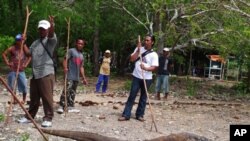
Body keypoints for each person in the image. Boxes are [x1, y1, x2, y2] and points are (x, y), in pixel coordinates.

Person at [18, 16, 57, 128]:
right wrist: (23, 43)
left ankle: (48, 118)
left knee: (46, 97)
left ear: (48, 30)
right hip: (35, 73)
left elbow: (51, 34)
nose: (42, 31)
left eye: (44, 29)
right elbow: (28, 54)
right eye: (40, 29)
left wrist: (52, 24)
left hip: (46, 72)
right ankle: (29, 116)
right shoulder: (35, 43)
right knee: (34, 97)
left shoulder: (50, 41)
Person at [118, 35, 158, 122]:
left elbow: (154, 67)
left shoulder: (154, 54)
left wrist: (146, 68)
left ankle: (140, 115)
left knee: (143, 97)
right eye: (145, 40)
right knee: (132, 95)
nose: (145, 42)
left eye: (148, 40)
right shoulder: (139, 48)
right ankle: (126, 114)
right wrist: (138, 50)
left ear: (152, 42)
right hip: (136, 76)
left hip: (147, 78)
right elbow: (132, 59)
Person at [57, 38, 88, 114]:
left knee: (73, 92)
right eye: (79, 43)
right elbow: (65, 59)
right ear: (76, 43)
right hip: (70, 75)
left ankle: (70, 106)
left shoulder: (81, 55)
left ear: (83, 45)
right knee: (66, 90)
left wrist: (84, 78)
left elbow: (81, 67)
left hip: (76, 77)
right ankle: (61, 106)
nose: (80, 45)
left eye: (82, 44)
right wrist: (65, 68)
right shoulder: (71, 51)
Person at [2, 34, 31, 104]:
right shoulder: (12, 48)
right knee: (12, 86)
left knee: (24, 85)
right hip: (13, 69)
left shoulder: (24, 48)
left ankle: (24, 100)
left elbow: (30, 56)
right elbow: (3, 54)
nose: (19, 41)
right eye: (18, 40)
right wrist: (8, 63)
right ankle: (15, 99)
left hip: (21, 70)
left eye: (20, 40)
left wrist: (26, 64)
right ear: (16, 41)